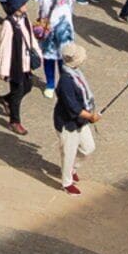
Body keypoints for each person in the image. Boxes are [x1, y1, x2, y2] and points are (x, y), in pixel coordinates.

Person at [50, 54, 100, 194]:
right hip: (67, 123)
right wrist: (90, 116)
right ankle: (66, 183)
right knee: (68, 153)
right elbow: (73, 107)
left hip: (80, 120)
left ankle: (72, 168)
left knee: (88, 147)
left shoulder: (76, 73)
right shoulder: (66, 81)